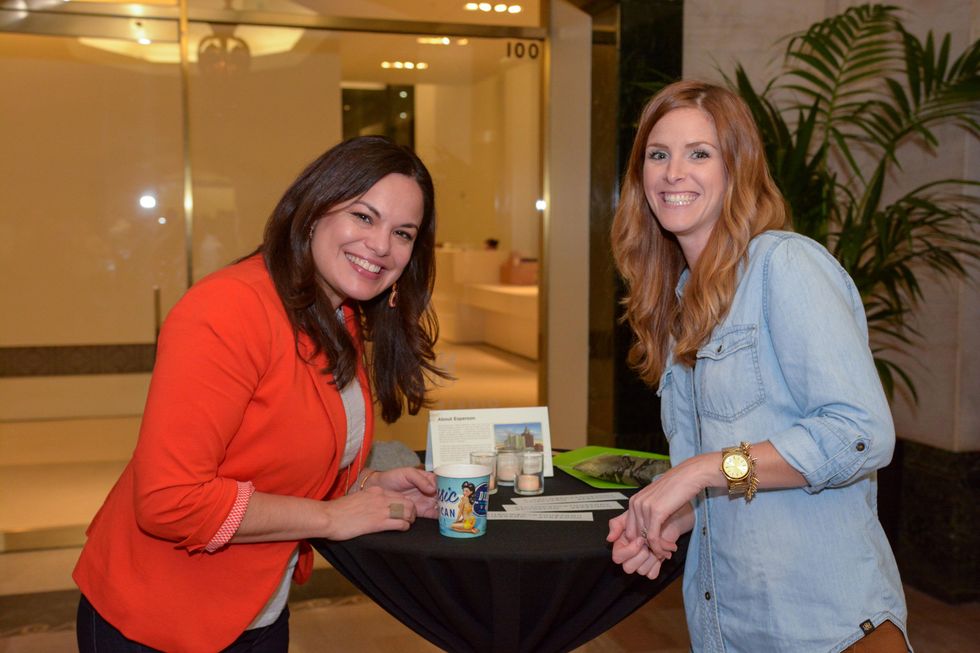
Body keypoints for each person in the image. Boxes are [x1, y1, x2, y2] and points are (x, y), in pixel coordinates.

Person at [74, 136, 449, 652]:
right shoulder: (229, 308)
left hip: (257, 611)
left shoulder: (338, 316)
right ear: (313, 210)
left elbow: (279, 456)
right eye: (364, 217)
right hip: (160, 619)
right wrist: (331, 518)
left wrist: (366, 486)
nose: (383, 246)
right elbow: (169, 501)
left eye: (402, 232)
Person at [607, 80, 910, 652]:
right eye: (658, 154)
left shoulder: (784, 265)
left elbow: (860, 435)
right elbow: (748, 475)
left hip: (824, 627)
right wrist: (680, 518)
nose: (674, 173)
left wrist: (697, 473)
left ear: (736, 169)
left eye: (700, 153)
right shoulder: (679, 302)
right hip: (732, 628)